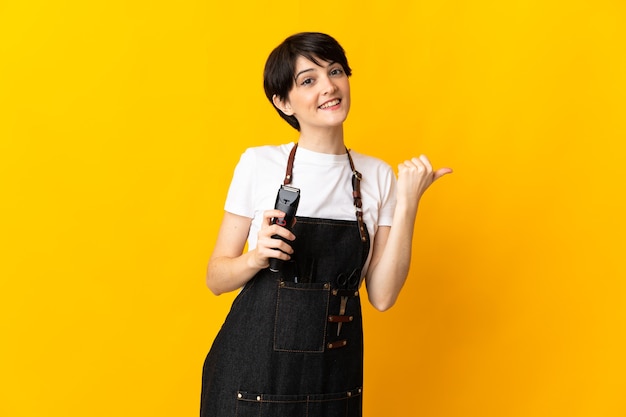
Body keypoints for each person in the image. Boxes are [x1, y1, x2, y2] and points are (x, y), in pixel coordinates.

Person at [200, 32, 452, 417]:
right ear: (283, 102)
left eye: (335, 71)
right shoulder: (258, 164)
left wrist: (408, 203)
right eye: (308, 80)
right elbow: (216, 278)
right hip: (249, 385)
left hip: (333, 384)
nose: (329, 86)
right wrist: (256, 257)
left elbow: (382, 297)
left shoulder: (377, 176)